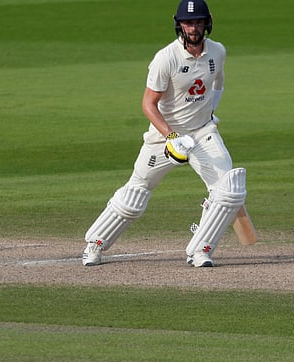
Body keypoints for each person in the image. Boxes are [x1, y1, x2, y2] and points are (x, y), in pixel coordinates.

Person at [81, 0, 246, 268]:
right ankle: (95, 244)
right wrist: (170, 136)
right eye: (189, 22)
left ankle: (201, 250)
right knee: (136, 194)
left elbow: (218, 85)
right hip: (166, 137)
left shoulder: (217, 52)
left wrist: (210, 113)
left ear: (207, 23)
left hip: (202, 132)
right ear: (179, 24)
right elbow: (148, 104)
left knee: (229, 190)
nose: (194, 28)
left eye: (198, 22)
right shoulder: (165, 58)